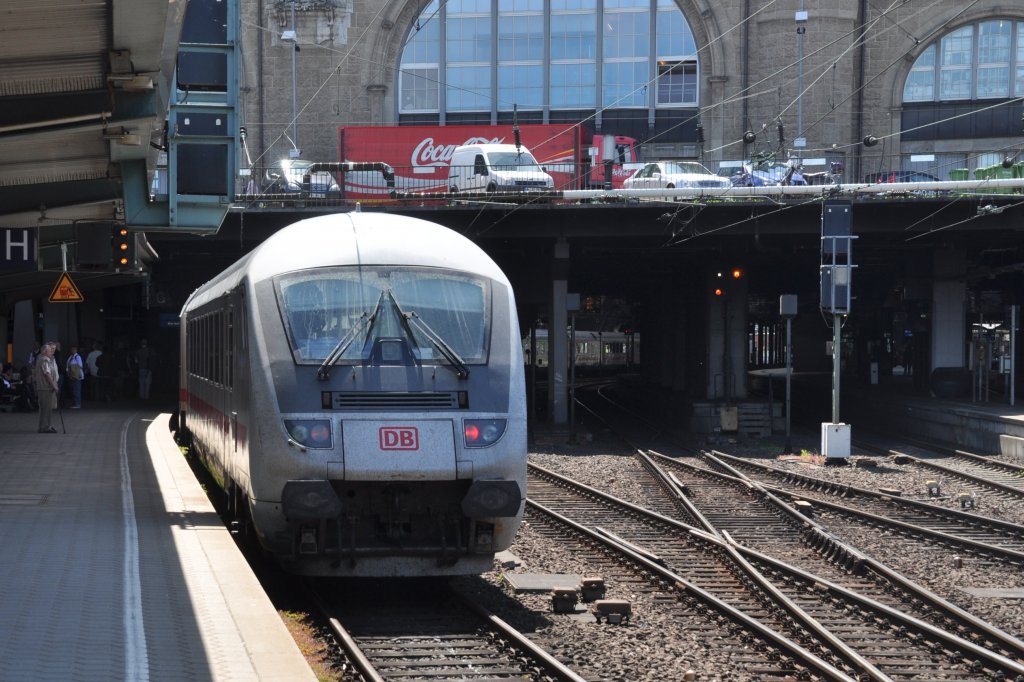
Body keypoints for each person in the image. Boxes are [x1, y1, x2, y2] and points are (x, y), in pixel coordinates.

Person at [33, 342, 59, 433]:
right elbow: (47, 374)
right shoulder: (44, 359)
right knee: (45, 408)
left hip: (45, 387)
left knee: (47, 408)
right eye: (50, 350)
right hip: (45, 388)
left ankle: (47, 425)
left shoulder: (44, 359)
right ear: (44, 352)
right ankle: (44, 427)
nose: (52, 352)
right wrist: (53, 385)